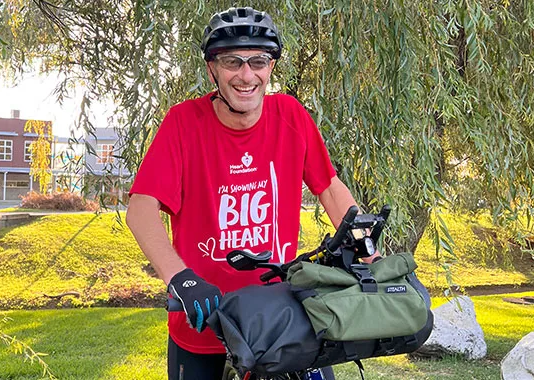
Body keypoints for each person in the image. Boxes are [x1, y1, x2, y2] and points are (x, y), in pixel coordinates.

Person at [126, 7, 378, 380]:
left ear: (271, 66)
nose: (246, 75)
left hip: (279, 317)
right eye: (232, 62)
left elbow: (328, 186)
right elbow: (141, 209)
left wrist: (362, 237)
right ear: (212, 68)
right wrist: (181, 279)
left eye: (258, 61)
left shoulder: (291, 116)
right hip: (204, 320)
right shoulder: (184, 123)